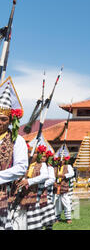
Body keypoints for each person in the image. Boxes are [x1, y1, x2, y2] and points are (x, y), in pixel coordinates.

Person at [0, 78, 28, 230]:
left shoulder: (18, 141)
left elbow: (21, 168)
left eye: (3, 119)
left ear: (10, 120)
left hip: (4, 193)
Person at [54, 155, 74, 223]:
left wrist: (64, 175)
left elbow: (72, 173)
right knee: (57, 204)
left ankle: (68, 218)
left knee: (67, 203)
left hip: (64, 187)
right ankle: (57, 218)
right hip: (56, 188)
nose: (61, 161)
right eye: (59, 160)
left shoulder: (68, 166)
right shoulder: (55, 167)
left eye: (62, 160)